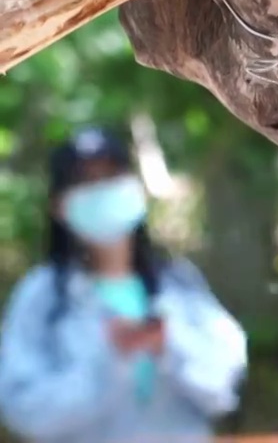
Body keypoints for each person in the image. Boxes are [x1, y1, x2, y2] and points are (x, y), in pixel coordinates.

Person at [0, 126, 248, 442]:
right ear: (58, 205)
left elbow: (225, 383)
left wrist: (169, 346)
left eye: (112, 177)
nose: (103, 190)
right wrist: (109, 362)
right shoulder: (44, 295)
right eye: (86, 182)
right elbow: (23, 409)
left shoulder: (178, 282)